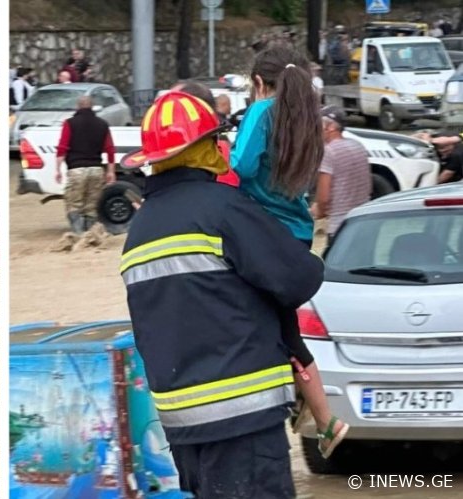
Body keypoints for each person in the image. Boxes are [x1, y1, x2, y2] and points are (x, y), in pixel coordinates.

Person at [119, 91, 325, 498]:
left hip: (182, 427)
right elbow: (298, 280)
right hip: (244, 420)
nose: (221, 148)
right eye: (215, 141)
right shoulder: (222, 209)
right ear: (200, 151)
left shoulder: (137, 233)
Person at [231, 46, 349, 458]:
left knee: (273, 327)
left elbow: (241, 166)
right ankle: (311, 407)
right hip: (297, 234)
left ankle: (324, 417)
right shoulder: (307, 120)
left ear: (259, 83)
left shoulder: (262, 111)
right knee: (283, 326)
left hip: (265, 236)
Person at [55, 95, 116, 234]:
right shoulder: (103, 124)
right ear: (92, 106)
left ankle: (78, 234)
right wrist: (110, 171)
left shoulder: (69, 123)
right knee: (91, 207)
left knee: (74, 205)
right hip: (96, 170)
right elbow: (110, 149)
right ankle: (90, 236)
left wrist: (58, 169)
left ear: (78, 106)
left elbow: (62, 148)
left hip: (77, 170)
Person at [312, 106, 372, 245]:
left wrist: (319, 211)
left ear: (331, 127)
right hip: (363, 220)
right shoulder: (358, 146)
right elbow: (368, 186)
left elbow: (324, 197)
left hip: (339, 226)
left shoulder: (328, 151)